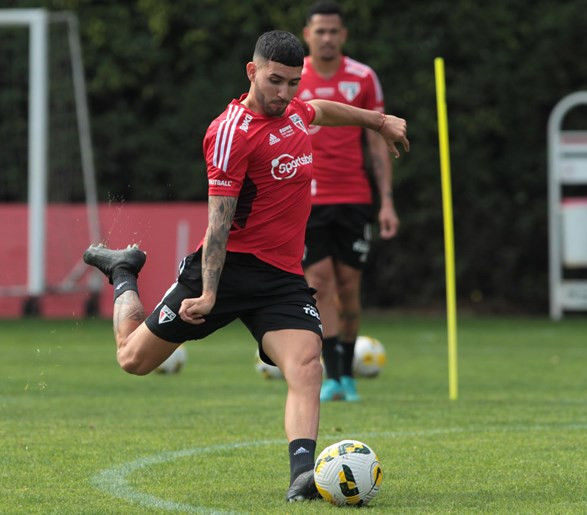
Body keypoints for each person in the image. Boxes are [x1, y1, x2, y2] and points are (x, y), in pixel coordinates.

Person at [82, 30, 409, 502]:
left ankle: (303, 476)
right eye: (275, 81)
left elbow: (321, 109)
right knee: (133, 359)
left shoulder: (294, 110)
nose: (284, 93)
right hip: (225, 269)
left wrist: (377, 122)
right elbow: (219, 222)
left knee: (307, 365)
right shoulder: (230, 132)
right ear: (252, 71)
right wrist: (210, 292)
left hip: (280, 279)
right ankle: (123, 273)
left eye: (293, 82)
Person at [299, 0, 399, 402]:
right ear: (307, 34)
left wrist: (386, 202)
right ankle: (335, 376)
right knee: (319, 285)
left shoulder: (362, 78)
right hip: (307, 200)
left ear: (343, 35)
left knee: (349, 290)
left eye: (333, 31)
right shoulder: (293, 77)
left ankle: (347, 372)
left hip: (355, 198)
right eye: (319, 31)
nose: (326, 38)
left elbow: (378, 142)